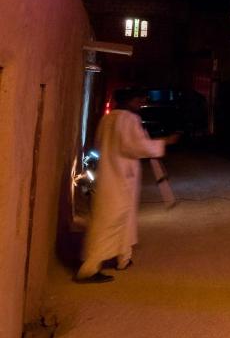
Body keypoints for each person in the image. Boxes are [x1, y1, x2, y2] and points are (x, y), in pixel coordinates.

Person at [76, 88, 177, 283]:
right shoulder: (129, 119)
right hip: (120, 178)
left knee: (122, 218)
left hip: (110, 175)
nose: (141, 102)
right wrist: (163, 142)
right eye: (139, 99)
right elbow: (135, 146)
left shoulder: (108, 119)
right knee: (111, 221)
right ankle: (89, 269)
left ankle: (124, 257)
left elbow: (101, 144)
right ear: (130, 100)